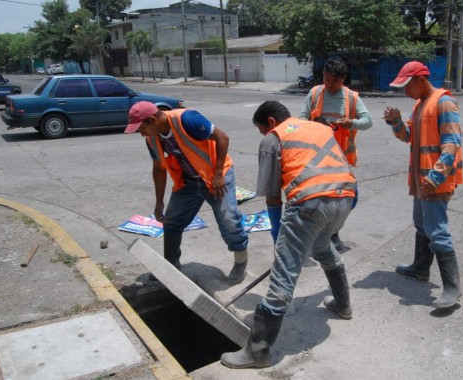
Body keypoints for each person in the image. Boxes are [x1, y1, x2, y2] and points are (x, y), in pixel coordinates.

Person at [221, 101, 356, 369]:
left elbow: (273, 196)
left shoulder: (274, 137)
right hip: (345, 197)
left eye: (262, 130)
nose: (263, 135)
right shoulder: (316, 127)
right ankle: (343, 304)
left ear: (271, 122)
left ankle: (258, 351)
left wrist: (278, 239)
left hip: (310, 202)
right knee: (323, 248)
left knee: (285, 271)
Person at [125, 101, 249, 285]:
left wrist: (217, 175)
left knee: (229, 219)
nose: (141, 134)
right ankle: (171, 265)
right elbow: (159, 168)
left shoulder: (186, 119)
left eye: (141, 129)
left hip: (215, 177)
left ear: (152, 120)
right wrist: (159, 202)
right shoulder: (152, 139)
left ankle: (240, 263)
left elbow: (222, 137)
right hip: (189, 181)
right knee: (172, 222)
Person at [382, 61, 463, 308]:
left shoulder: (444, 102)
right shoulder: (419, 104)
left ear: (420, 79)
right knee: (421, 225)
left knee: (437, 230)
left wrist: (436, 175)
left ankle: (452, 288)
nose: (404, 91)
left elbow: (452, 143)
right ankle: (420, 268)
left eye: (406, 85)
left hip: (435, 181)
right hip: (421, 180)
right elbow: (408, 137)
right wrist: (396, 121)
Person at [300, 57, 372, 251]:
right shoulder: (315, 93)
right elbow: (301, 119)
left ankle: (332, 232)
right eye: (327, 79)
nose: (330, 84)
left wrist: (351, 123)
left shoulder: (351, 98)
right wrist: (315, 124)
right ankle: (320, 234)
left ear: (343, 79)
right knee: (319, 198)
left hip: (341, 159)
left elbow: (368, 121)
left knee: (350, 197)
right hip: (316, 157)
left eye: (335, 81)